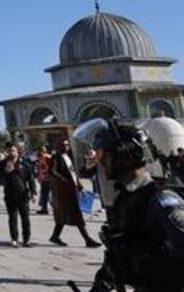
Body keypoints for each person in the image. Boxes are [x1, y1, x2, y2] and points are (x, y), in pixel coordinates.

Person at [75, 118, 184, 292]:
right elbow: (119, 251)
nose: (100, 161)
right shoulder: (126, 198)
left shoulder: (161, 201)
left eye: (104, 154)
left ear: (125, 156)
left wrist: (150, 266)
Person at [48, 138, 101, 248]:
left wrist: (80, 186)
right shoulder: (56, 157)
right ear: (58, 146)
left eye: (67, 145)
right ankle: (87, 239)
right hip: (64, 192)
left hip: (72, 190)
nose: (66, 147)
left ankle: (55, 236)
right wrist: (64, 181)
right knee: (76, 215)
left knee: (63, 216)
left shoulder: (67, 157)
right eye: (63, 145)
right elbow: (52, 172)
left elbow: (73, 173)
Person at [0, 145, 35, 247]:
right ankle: (14, 238)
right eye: (9, 151)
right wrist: (5, 172)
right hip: (9, 194)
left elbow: (31, 179)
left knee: (25, 218)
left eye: (13, 151)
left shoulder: (25, 164)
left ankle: (26, 239)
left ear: (17, 152)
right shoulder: (1, 164)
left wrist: (34, 192)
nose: (11, 153)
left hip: (23, 194)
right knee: (12, 218)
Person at [36, 147, 52, 213]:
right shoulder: (41, 158)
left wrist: (48, 174)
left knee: (45, 194)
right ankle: (44, 208)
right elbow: (40, 169)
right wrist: (39, 177)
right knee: (44, 194)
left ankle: (45, 209)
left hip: (48, 178)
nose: (39, 152)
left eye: (41, 151)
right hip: (44, 178)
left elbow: (50, 167)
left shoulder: (48, 157)